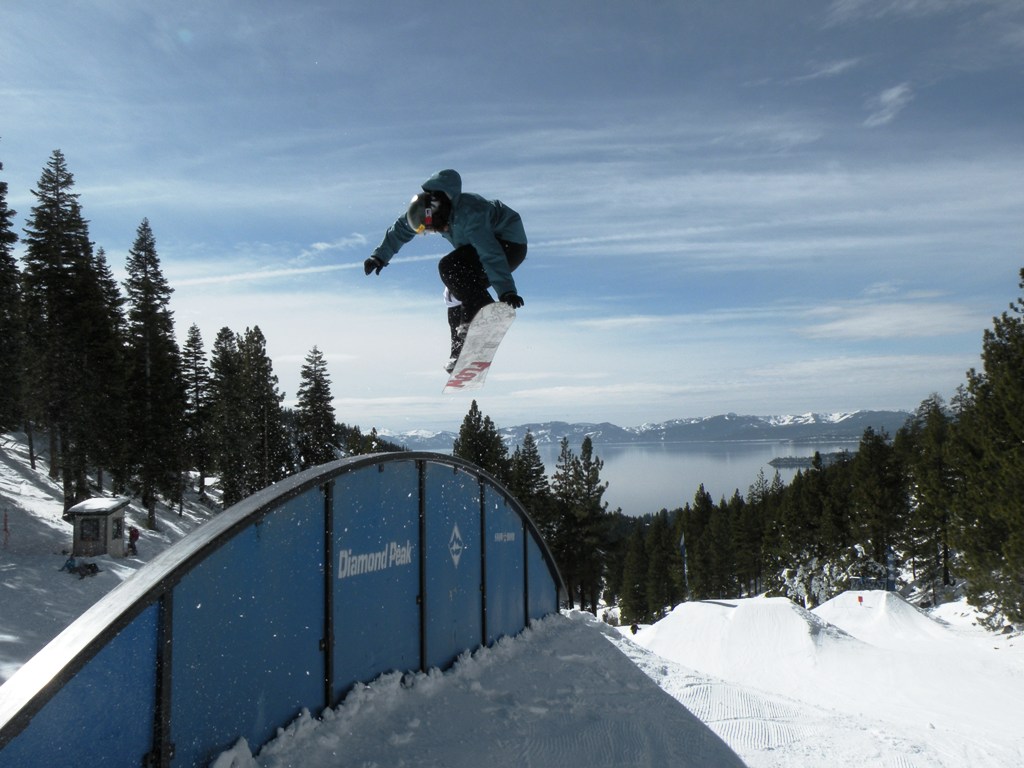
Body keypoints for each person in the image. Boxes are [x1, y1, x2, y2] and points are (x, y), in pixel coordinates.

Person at [364, 169, 527, 372]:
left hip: (508, 244)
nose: (437, 232)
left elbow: (490, 253)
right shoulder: (423, 208)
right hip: (475, 251)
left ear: (443, 213)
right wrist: (379, 256)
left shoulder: (470, 212)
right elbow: (400, 228)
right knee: (452, 293)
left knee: (450, 267)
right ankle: (459, 353)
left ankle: (481, 313)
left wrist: (506, 290)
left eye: (437, 227)